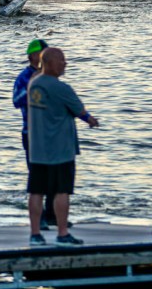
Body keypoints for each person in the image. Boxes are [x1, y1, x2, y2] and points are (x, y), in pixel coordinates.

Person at [27, 47, 99, 247]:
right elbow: (80, 111)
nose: (65, 63)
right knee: (62, 191)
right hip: (59, 150)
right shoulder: (61, 87)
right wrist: (92, 121)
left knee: (36, 191)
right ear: (49, 63)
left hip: (37, 150)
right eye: (61, 60)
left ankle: (35, 234)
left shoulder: (33, 84)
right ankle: (62, 233)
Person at [13, 38, 58, 229]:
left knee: (54, 174)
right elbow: (16, 101)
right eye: (42, 54)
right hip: (31, 132)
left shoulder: (50, 76)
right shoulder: (24, 76)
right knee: (37, 176)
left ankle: (53, 215)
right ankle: (39, 218)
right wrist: (32, 85)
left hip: (51, 133)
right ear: (33, 56)